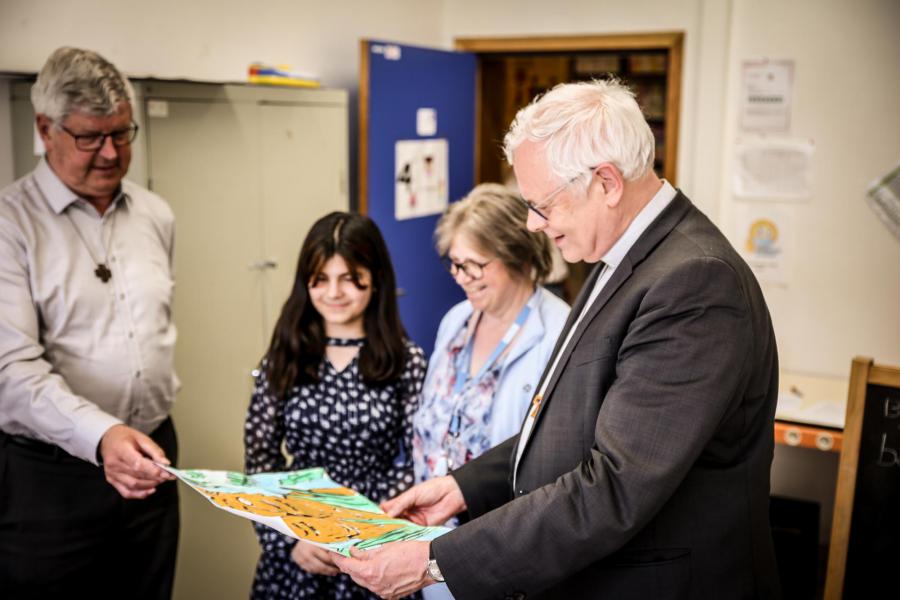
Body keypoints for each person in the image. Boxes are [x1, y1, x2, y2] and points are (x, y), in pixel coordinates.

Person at [334, 78, 781, 600]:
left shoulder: (694, 282)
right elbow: (568, 425)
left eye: (542, 205)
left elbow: (614, 486)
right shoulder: (620, 255)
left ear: (607, 183)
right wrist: (463, 487)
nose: (533, 224)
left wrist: (436, 560)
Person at [0, 47, 180, 600]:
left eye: (122, 133)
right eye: (90, 138)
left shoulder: (155, 213)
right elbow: (11, 371)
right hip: (52, 479)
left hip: (152, 460)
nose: (110, 153)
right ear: (45, 129)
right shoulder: (11, 225)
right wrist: (101, 437)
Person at [244, 211, 427, 600]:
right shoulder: (285, 356)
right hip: (298, 546)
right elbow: (260, 462)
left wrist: (370, 529)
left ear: (375, 279)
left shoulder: (405, 360)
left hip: (376, 542)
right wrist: (289, 540)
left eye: (350, 278)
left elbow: (419, 460)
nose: (334, 293)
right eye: (321, 279)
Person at [413, 184, 569, 599]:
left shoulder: (558, 335)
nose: (461, 278)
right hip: (433, 546)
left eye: (475, 265)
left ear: (517, 255)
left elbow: (550, 463)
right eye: (455, 264)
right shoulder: (457, 322)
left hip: (502, 555)